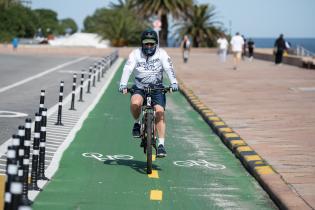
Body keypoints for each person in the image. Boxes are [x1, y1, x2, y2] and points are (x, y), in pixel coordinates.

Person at [119, 28, 179, 158]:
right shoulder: (135, 54)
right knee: (135, 102)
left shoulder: (162, 54)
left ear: (156, 44)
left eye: (152, 44)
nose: (149, 46)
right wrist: (123, 84)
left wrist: (174, 82)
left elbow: (169, 68)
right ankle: (136, 123)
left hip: (157, 88)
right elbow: (128, 68)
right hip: (140, 88)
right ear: (142, 44)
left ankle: (161, 145)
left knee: (159, 112)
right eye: (146, 43)